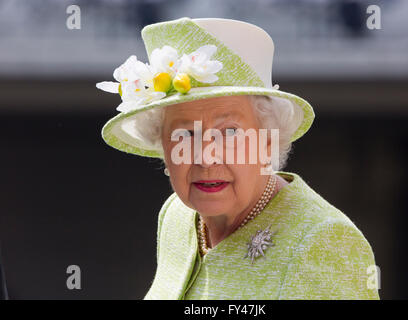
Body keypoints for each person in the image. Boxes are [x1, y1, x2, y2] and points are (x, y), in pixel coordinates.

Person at [96, 17, 380, 300]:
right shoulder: (178, 215)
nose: (206, 158)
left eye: (229, 132)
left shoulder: (323, 242)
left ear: (268, 140)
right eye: (185, 134)